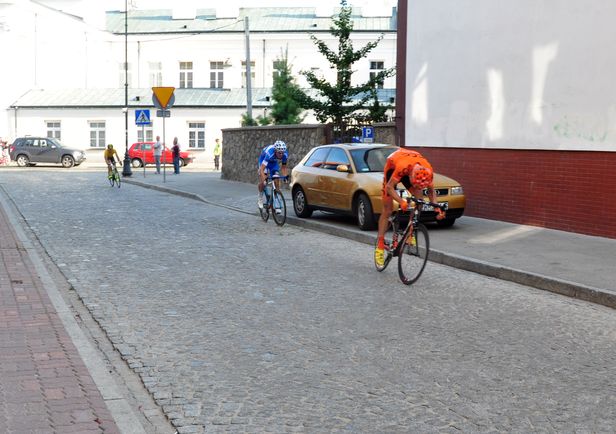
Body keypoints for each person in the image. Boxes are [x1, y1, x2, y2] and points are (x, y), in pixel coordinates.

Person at [374, 148, 446, 267]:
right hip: (393, 166)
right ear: (411, 177)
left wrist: (437, 207)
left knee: (420, 200)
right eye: (414, 183)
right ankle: (380, 246)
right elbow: (389, 188)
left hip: (413, 164)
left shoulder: (428, 170)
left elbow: (431, 192)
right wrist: (401, 201)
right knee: (388, 209)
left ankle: (410, 232)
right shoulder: (402, 167)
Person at [257, 140, 288, 211]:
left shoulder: (285, 154)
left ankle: (276, 198)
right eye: (279, 153)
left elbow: (284, 167)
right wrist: (264, 178)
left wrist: (285, 176)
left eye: (282, 153)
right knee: (263, 182)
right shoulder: (269, 153)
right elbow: (262, 169)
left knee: (276, 178)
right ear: (275, 151)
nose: (281, 155)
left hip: (273, 163)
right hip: (263, 161)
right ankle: (260, 197)